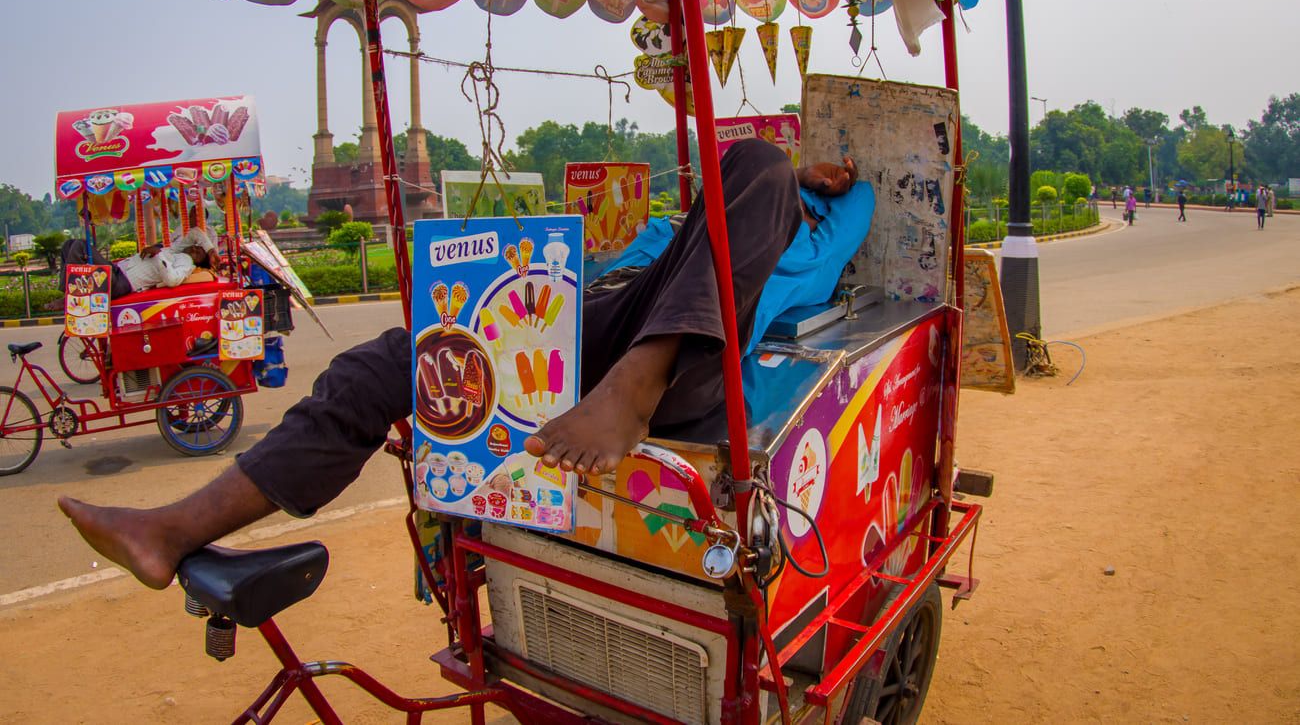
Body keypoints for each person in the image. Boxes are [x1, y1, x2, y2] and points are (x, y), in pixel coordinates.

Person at [59, 140, 873, 590]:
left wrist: (805, 182)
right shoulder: (698, 223)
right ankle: (176, 528)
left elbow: (828, 200)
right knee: (388, 359)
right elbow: (654, 244)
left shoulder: (810, 229)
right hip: (608, 314)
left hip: (689, 352)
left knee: (757, 156)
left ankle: (634, 388)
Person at [60, 225, 217, 298]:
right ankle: (66, 290)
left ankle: (69, 293)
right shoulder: (176, 251)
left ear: (198, 263)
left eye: (198, 253)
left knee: (81, 245)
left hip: (120, 283)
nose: (195, 249)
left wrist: (158, 255)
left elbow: (172, 280)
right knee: (69, 245)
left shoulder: (186, 263)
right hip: (116, 270)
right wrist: (210, 250)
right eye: (196, 247)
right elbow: (195, 232)